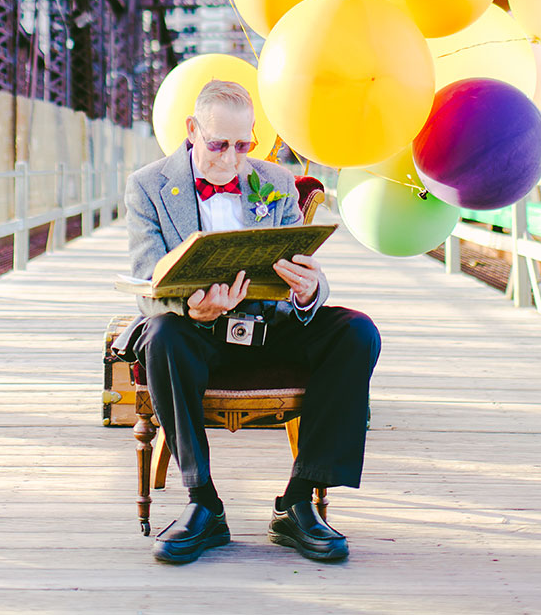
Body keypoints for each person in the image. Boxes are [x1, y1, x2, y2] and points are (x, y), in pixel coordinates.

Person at [116, 79, 381, 565]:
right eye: (219, 144)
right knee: (161, 334)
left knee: (356, 331)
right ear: (192, 130)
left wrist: (308, 291)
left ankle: (298, 501)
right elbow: (146, 284)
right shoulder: (148, 186)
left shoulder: (277, 182)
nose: (233, 158)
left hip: (269, 327)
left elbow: (304, 276)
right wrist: (193, 308)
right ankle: (204, 503)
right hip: (195, 333)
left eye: (244, 145)